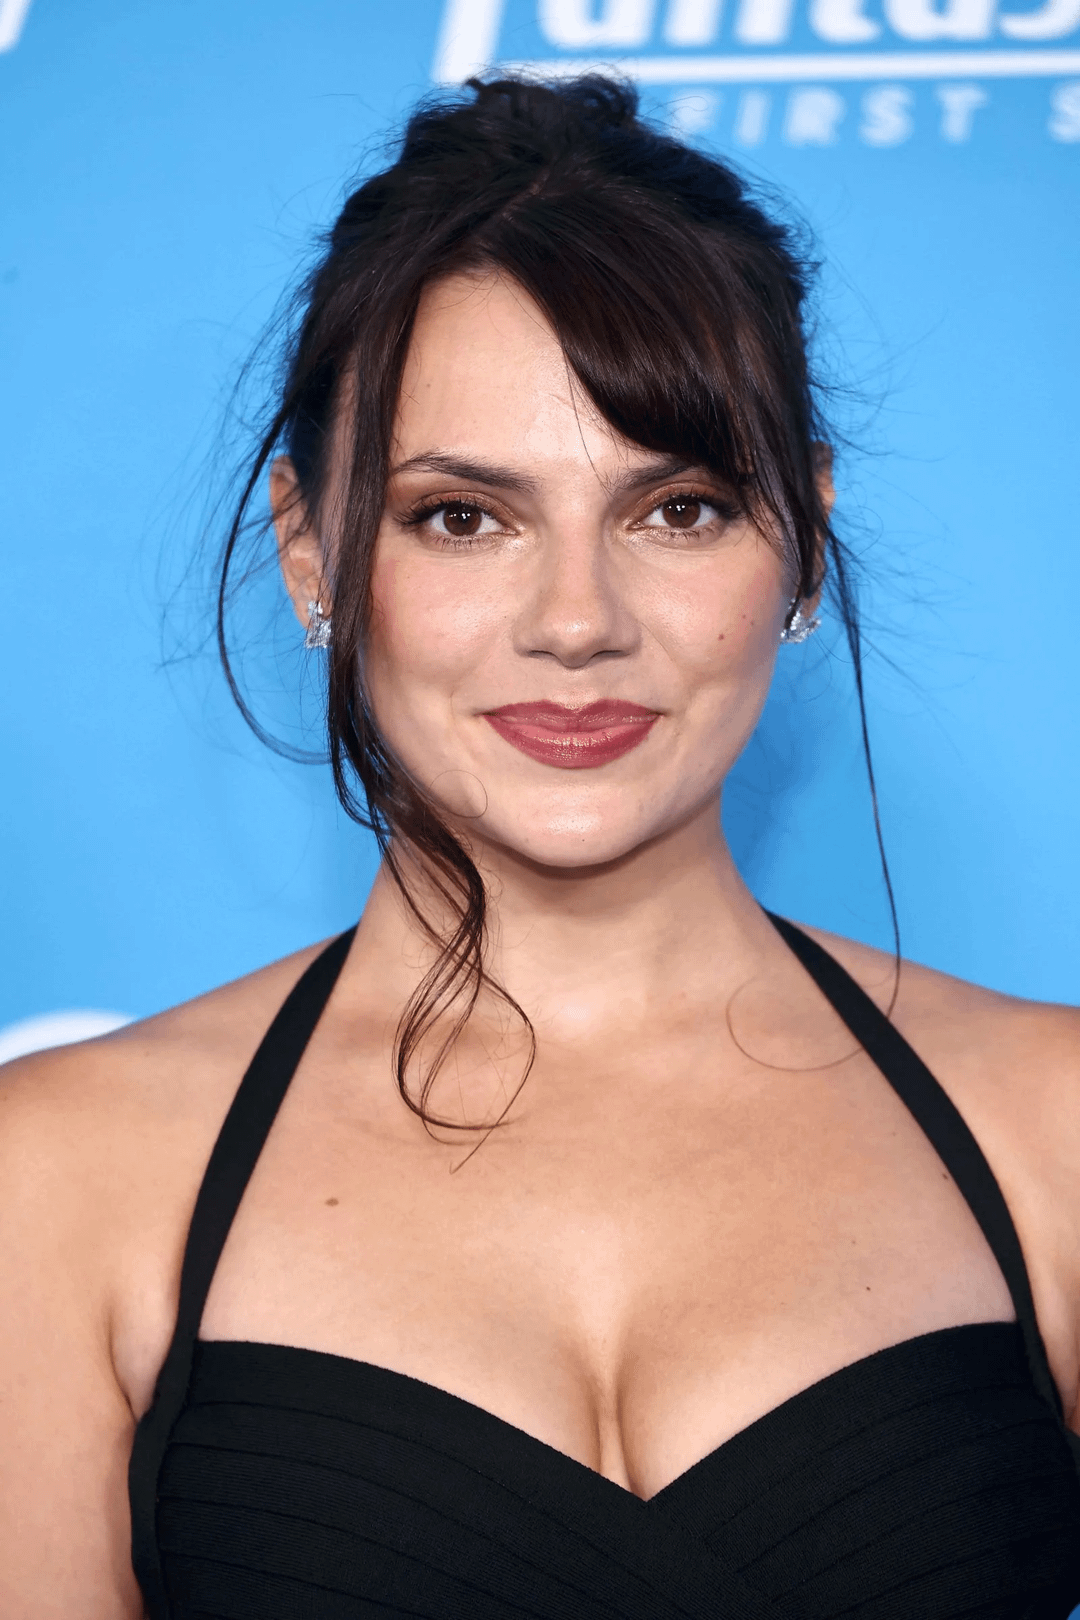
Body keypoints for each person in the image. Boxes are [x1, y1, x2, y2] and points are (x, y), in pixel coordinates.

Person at [1, 73, 1077, 1620]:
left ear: (804, 542)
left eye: (679, 509)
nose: (578, 621)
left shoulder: (1052, 1129)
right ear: (312, 550)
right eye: (463, 517)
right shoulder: (57, 1182)